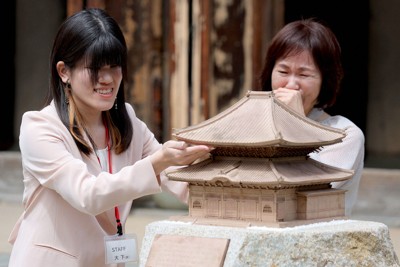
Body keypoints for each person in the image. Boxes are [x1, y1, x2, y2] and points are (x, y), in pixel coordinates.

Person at [8, 8, 212, 267]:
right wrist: (157, 162)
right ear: (63, 72)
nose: (107, 79)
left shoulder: (126, 120)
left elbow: (175, 177)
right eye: (94, 68)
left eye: (114, 67)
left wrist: (226, 188)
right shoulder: (40, 127)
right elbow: (87, 195)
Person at [259, 18, 365, 216]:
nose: (291, 85)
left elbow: (307, 190)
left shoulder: (344, 134)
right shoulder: (252, 125)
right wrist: (184, 160)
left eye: (304, 75)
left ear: (324, 81)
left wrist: (295, 122)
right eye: (283, 71)